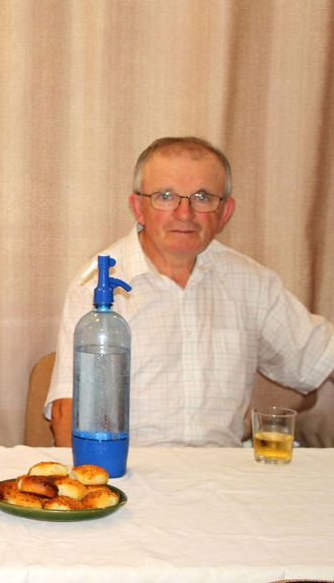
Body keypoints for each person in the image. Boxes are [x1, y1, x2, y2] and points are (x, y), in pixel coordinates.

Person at [45, 136, 334, 447]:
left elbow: (322, 354)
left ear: (224, 212)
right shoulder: (97, 283)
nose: (184, 213)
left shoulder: (252, 283)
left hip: (224, 470)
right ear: (138, 208)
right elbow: (68, 412)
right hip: (130, 468)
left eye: (202, 197)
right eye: (165, 196)